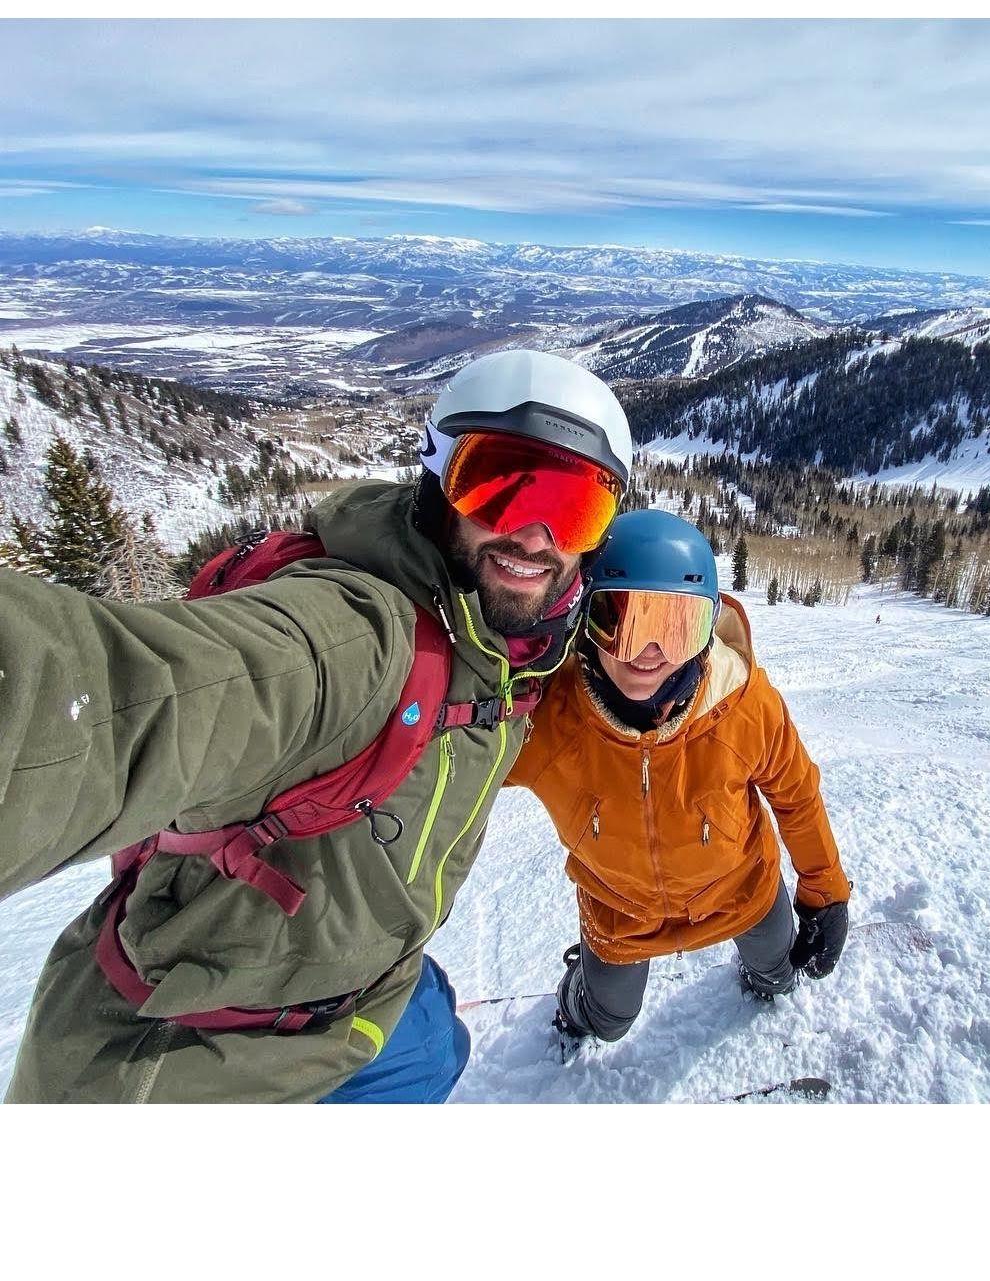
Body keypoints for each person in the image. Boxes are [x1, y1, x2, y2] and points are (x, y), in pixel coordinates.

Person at [0, 350, 632, 1102]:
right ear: (435, 482)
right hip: (211, 1055)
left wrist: (685, 635)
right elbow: (126, 699)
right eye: (496, 487)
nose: (534, 536)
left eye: (575, 509)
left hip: (370, 993)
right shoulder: (352, 639)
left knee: (440, 1038)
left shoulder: (509, 644)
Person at [506, 509, 851, 1045]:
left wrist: (824, 892)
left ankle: (763, 976)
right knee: (608, 1021)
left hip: (741, 890)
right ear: (580, 620)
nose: (648, 654)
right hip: (623, 913)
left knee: (780, 974)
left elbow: (797, 796)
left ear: (708, 629)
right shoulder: (549, 717)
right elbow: (447, 772)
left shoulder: (744, 707)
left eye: (675, 628)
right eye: (618, 622)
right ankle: (581, 1004)